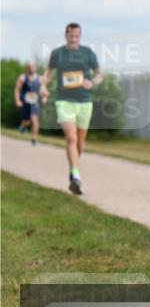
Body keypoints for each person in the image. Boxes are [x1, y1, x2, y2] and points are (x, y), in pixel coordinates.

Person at [41, 23, 101, 195]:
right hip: (64, 101)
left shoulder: (88, 53)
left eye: (76, 36)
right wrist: (43, 86)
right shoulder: (57, 53)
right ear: (66, 35)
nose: (73, 39)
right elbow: (48, 72)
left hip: (84, 101)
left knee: (80, 143)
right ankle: (76, 175)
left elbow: (99, 74)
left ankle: (73, 170)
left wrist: (92, 82)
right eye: (71, 36)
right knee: (71, 138)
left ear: (80, 36)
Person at [14, 61, 45, 145]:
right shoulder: (22, 77)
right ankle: (23, 127)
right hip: (25, 101)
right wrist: (17, 100)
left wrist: (44, 98)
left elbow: (43, 90)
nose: (31, 68)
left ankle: (34, 140)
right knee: (27, 121)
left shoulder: (40, 78)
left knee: (35, 121)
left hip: (35, 102)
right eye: (29, 67)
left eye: (32, 67)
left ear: (36, 67)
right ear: (27, 68)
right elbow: (17, 90)